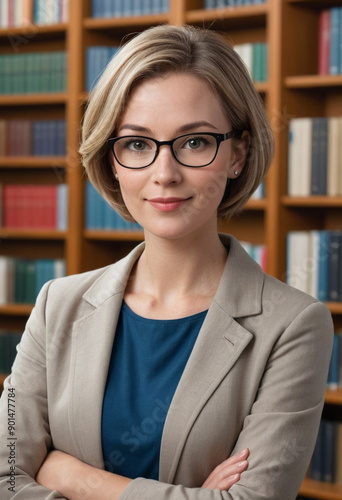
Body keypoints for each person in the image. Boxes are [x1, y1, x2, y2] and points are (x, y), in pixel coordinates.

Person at [0, 25, 334, 500]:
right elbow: (4, 473)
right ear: (112, 159)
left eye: (195, 142)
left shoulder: (293, 325)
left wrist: (76, 478)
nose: (165, 174)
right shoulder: (59, 303)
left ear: (237, 153)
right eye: (137, 144)